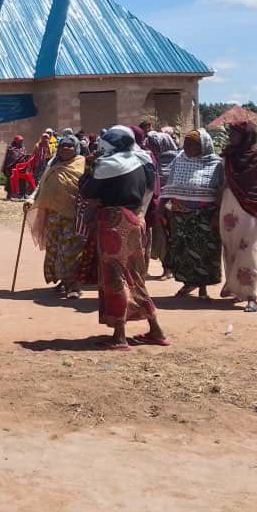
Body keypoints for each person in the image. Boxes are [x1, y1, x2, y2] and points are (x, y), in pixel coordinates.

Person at [79, 126, 168, 350]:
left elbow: (88, 191)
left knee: (115, 277)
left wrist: (89, 167)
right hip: (133, 220)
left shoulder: (108, 165)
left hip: (113, 222)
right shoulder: (139, 161)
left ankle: (119, 336)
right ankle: (156, 330)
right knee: (134, 276)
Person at [220, 121, 257, 312]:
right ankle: (235, 288)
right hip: (229, 207)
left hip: (254, 208)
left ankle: (251, 295)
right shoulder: (229, 155)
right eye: (230, 134)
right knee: (231, 249)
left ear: (246, 136)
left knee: (250, 250)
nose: (230, 137)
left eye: (235, 134)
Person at [161, 129, 223, 300]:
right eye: (185, 144)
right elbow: (169, 185)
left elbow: (221, 190)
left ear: (202, 146)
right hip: (180, 215)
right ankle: (189, 284)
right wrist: (161, 207)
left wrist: (217, 213)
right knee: (184, 252)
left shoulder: (217, 164)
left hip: (204, 215)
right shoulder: (179, 161)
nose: (186, 148)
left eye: (191, 145)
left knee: (204, 252)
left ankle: (203, 289)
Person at [26, 134, 86, 299]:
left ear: (76, 148)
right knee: (55, 249)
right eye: (62, 146)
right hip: (53, 216)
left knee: (70, 251)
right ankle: (63, 280)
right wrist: (31, 199)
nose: (65, 148)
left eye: (69, 146)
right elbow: (41, 185)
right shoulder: (52, 164)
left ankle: (73, 286)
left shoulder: (83, 164)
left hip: (74, 217)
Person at [146, 130, 180, 279]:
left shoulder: (179, 159)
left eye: (155, 145)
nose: (152, 147)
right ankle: (166, 268)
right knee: (161, 237)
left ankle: (178, 268)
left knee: (175, 237)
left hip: (177, 205)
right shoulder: (151, 159)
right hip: (159, 205)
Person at [2, 135, 28, 200]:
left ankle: (23, 193)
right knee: (10, 179)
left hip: (21, 167)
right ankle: (9, 194)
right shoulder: (11, 148)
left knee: (23, 179)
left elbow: (24, 155)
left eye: (22, 141)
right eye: (20, 141)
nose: (21, 142)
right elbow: (9, 158)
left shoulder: (23, 148)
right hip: (11, 167)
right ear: (16, 141)